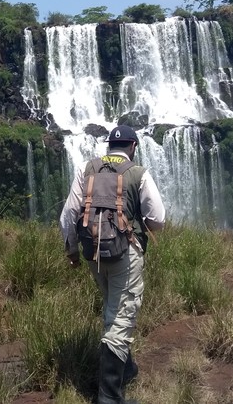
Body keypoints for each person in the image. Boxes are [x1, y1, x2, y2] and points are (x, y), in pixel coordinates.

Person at [59, 125, 166, 404]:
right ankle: (108, 397)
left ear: (109, 146)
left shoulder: (86, 169)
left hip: (94, 252)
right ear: (133, 146)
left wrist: (72, 250)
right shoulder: (138, 173)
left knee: (112, 307)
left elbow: (68, 214)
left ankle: (125, 368)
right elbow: (158, 219)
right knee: (122, 316)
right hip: (125, 254)